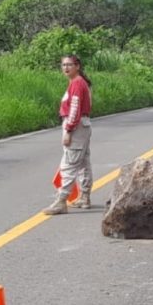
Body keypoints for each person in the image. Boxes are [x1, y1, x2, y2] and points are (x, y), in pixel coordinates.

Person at [43, 54, 93, 215]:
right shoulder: (78, 82)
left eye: (69, 65)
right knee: (83, 163)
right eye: (63, 65)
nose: (66, 68)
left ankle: (61, 200)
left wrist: (69, 129)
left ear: (77, 66)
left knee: (69, 164)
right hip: (82, 125)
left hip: (76, 126)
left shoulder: (77, 83)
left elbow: (75, 108)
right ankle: (84, 197)